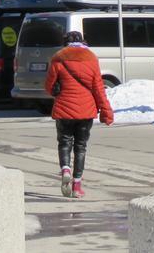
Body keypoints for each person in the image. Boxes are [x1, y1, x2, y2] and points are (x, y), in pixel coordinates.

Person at [45, 29, 113, 199]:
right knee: (81, 147)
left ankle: (65, 168)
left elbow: (49, 86)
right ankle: (76, 186)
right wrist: (106, 111)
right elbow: (98, 88)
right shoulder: (91, 59)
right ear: (83, 41)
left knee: (64, 142)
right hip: (86, 110)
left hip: (64, 109)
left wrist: (56, 90)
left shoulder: (58, 59)